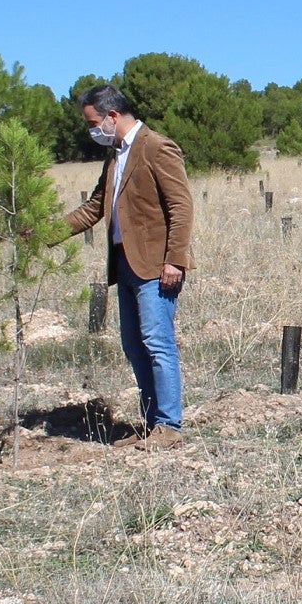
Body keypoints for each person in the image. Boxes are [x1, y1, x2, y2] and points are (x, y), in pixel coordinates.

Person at [64, 84, 195, 448]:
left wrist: (175, 259)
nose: (92, 130)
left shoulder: (156, 146)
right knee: (134, 345)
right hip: (124, 264)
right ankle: (152, 424)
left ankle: (170, 426)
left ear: (112, 115)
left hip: (156, 265)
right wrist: (47, 232)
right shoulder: (115, 156)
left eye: (93, 122)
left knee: (157, 342)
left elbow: (181, 208)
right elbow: (95, 206)